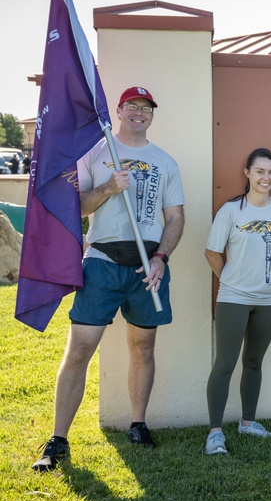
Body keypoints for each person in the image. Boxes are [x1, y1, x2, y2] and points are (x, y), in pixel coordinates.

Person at [32, 86, 185, 471]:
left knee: (143, 348)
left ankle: (138, 424)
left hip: (146, 266)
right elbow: (77, 205)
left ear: (152, 115)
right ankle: (58, 440)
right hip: (101, 261)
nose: (139, 112)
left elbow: (175, 217)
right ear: (118, 111)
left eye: (146, 107)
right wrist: (108, 188)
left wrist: (161, 258)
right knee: (80, 348)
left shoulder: (165, 161)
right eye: (132, 106)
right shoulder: (97, 152)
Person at [203, 148, 271, 455]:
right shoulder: (231, 211)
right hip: (233, 298)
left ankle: (248, 422)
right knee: (225, 363)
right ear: (247, 173)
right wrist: (230, 278)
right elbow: (212, 253)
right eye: (260, 171)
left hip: (268, 299)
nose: (265, 178)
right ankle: (215, 432)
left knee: (254, 362)